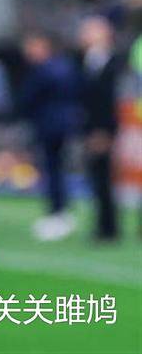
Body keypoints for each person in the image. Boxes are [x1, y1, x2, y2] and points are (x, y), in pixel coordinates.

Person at [17, 30, 80, 241]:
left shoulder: (45, 70)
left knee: (53, 169)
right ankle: (59, 211)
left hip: (50, 125)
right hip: (61, 124)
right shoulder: (65, 66)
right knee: (56, 169)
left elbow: (28, 98)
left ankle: (57, 212)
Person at [78, 14, 123, 242]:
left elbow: (110, 100)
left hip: (106, 129)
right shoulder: (87, 60)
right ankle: (104, 225)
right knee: (97, 178)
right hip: (92, 127)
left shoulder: (115, 62)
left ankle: (109, 227)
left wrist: (104, 130)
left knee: (105, 178)